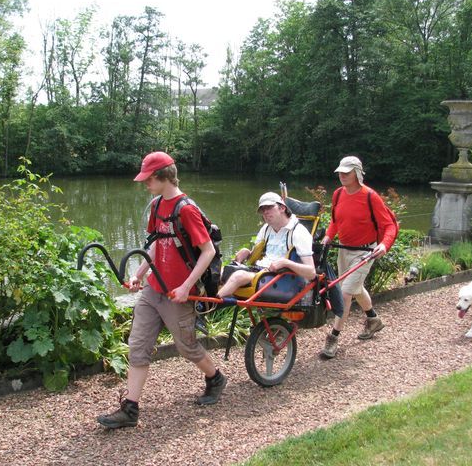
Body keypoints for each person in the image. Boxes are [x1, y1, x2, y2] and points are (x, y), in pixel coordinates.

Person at [97, 151, 227, 429]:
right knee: (137, 346)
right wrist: (139, 273)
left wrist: (185, 287)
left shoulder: (186, 209)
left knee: (187, 347)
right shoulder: (157, 206)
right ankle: (130, 409)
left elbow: (208, 251)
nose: (144, 183)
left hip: (177, 294)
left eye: (148, 179)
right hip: (153, 290)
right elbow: (156, 244)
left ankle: (215, 378)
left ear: (163, 177)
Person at [320, 156, 397, 359]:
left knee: (345, 293)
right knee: (355, 288)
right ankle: (373, 319)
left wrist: (383, 245)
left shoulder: (370, 196)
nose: (342, 176)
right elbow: (336, 221)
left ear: (357, 173)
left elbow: (389, 225)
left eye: (347, 172)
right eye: (340, 172)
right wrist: (329, 236)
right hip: (344, 250)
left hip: (365, 252)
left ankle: (333, 337)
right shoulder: (337, 195)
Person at [217, 192, 316, 298]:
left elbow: (311, 273)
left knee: (238, 276)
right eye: (262, 210)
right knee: (222, 270)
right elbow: (257, 255)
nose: (265, 212)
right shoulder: (266, 228)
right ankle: (205, 303)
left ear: (282, 208)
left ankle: (210, 304)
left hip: (280, 279)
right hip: (259, 272)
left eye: (269, 207)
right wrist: (247, 253)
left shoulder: (299, 232)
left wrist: (286, 263)